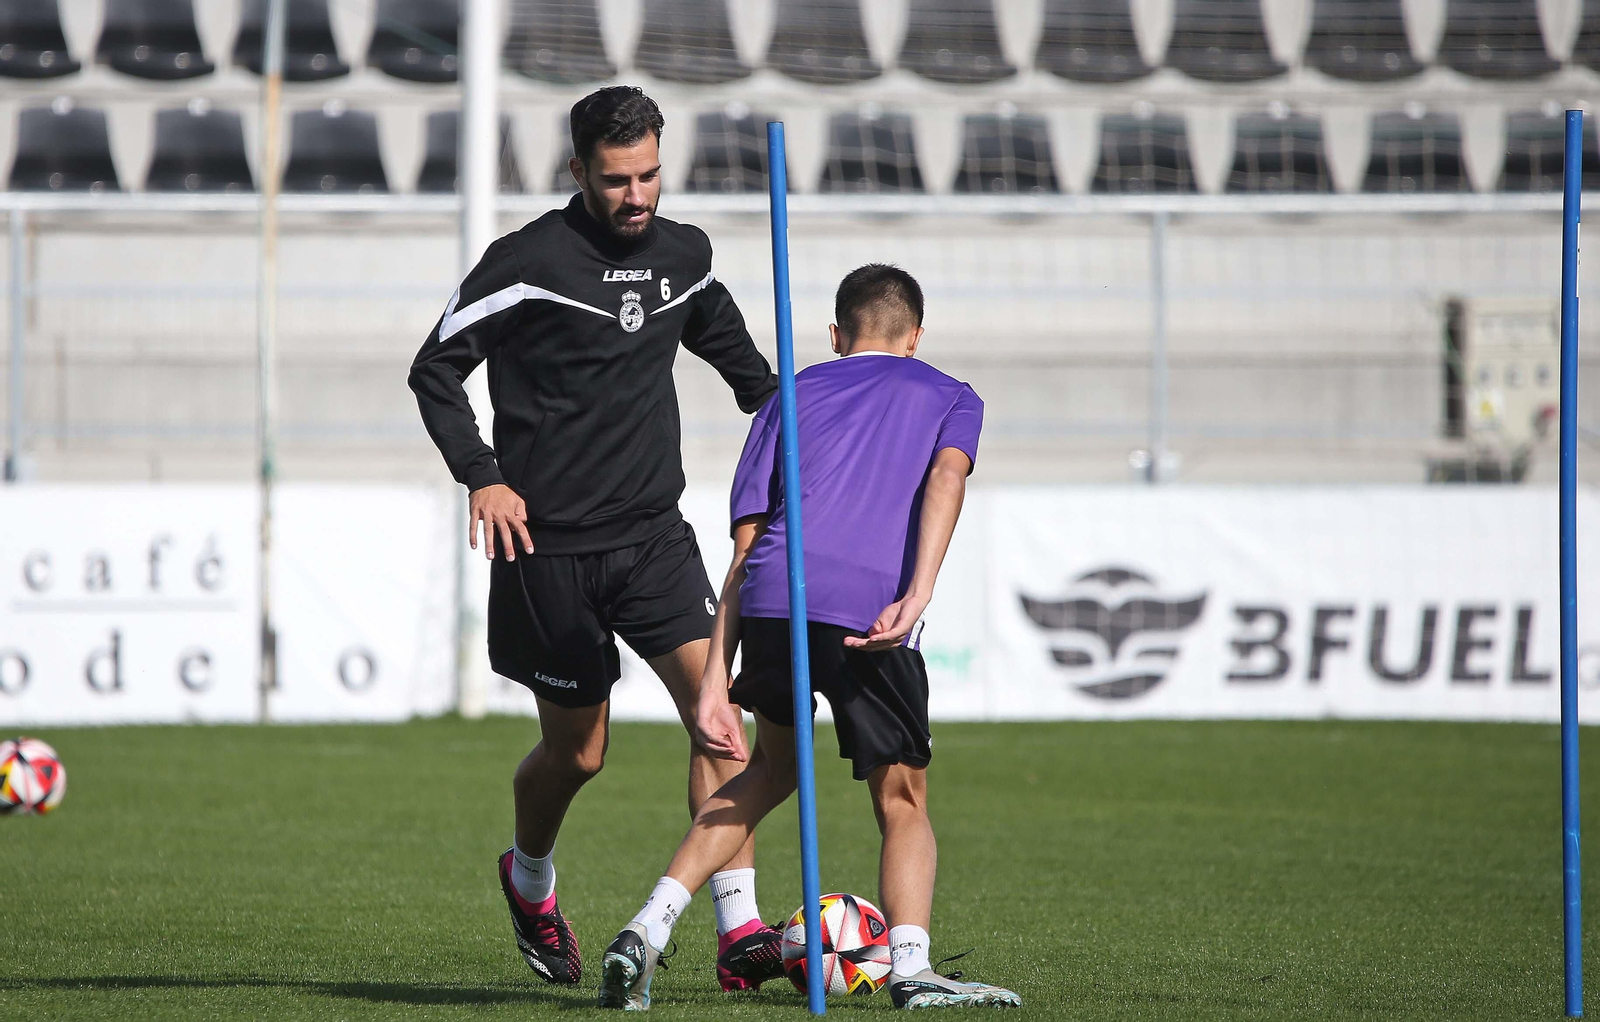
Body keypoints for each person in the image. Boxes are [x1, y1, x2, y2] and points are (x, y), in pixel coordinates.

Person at [407, 86, 786, 991]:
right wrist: (484, 475)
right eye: (618, 179)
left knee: (722, 722)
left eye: (651, 174)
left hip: (654, 538)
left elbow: (755, 382)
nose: (639, 195)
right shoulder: (526, 261)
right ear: (579, 171)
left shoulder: (685, 257)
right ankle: (529, 877)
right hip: (548, 553)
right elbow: (435, 371)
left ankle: (739, 934)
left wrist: (819, 440)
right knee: (581, 753)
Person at [596, 264, 1022, 1010]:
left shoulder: (787, 395)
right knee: (902, 799)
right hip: (868, 611)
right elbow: (947, 482)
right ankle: (913, 970)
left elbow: (745, 546)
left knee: (768, 771)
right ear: (916, 337)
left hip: (772, 599)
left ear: (835, 334)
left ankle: (646, 930)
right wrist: (916, 593)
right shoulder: (953, 396)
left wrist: (714, 681)